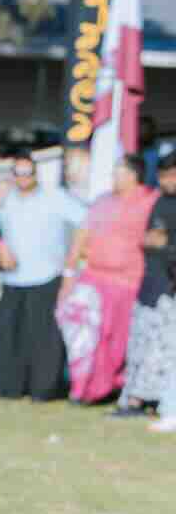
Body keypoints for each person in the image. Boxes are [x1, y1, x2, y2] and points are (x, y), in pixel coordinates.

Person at [57, 153, 156, 404]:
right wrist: (69, 274)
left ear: (133, 175)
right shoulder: (101, 202)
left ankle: (108, 386)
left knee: (117, 340)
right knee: (82, 330)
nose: (113, 178)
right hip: (92, 278)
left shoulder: (150, 201)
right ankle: (81, 387)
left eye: (118, 172)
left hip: (127, 282)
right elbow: (81, 236)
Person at [0, 152, 84, 402]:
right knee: (10, 336)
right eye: (17, 173)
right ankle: (8, 387)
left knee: (43, 338)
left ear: (36, 173)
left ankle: (43, 389)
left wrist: (71, 262)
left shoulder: (54, 197)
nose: (22, 178)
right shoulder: (5, 199)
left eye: (27, 172)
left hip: (46, 274)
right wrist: (0, 244)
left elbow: (86, 222)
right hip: (13, 278)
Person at [112, 157, 176, 417]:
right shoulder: (160, 201)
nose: (166, 181)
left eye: (171, 175)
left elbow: (161, 241)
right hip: (150, 283)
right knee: (140, 342)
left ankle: (150, 400)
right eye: (162, 176)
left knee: (161, 347)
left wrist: (166, 245)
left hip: (168, 289)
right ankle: (134, 398)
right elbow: (148, 237)